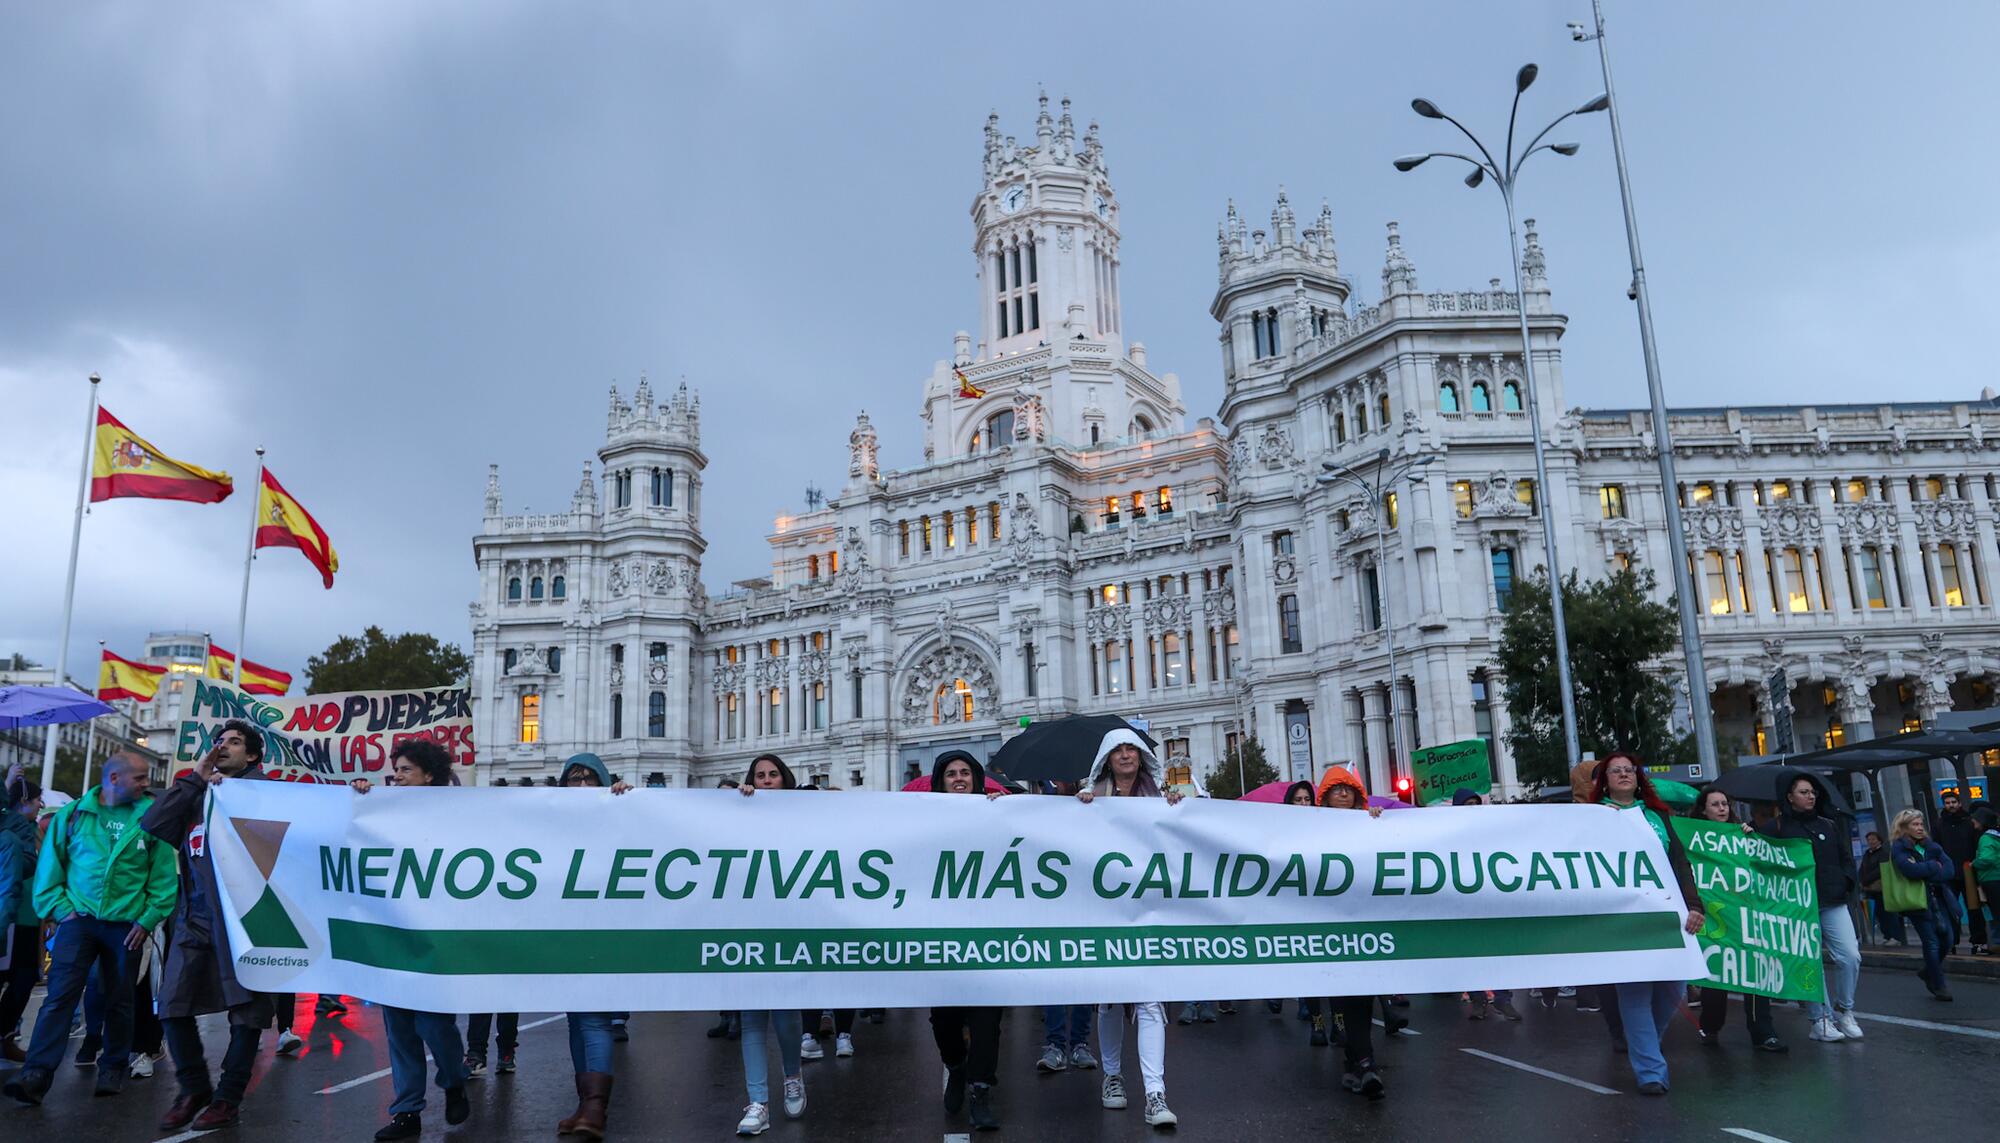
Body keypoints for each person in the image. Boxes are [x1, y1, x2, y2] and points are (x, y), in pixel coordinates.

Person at [3, 752, 175, 1107]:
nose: (146, 784)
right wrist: (64, 912)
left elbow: (163, 880)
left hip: (126, 926)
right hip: (78, 923)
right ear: (114, 779)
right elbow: (50, 871)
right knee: (59, 999)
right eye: (140, 778)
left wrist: (146, 920)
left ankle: (112, 1066)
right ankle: (36, 1075)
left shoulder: (151, 819)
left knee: (119, 999)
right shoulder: (74, 815)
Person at [143, 719, 277, 1131]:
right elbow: (154, 823)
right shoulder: (200, 793)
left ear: (252, 755)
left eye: (234, 743)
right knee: (171, 1005)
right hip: (194, 918)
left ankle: (227, 1098)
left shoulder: (269, 795)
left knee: (246, 1014)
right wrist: (196, 778)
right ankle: (194, 1086)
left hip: (248, 921)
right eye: (219, 741)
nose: (223, 747)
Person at [348, 739, 473, 1140]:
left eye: (405, 771)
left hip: (436, 937)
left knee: (435, 1025)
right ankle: (406, 1112)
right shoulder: (382, 810)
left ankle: (454, 1079)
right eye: (395, 770)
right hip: (394, 934)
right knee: (399, 1028)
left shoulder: (457, 815)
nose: (396, 777)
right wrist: (360, 798)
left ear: (430, 776)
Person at [1079, 729, 1184, 1129]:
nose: (1125, 756)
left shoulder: (1160, 799)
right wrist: (1082, 807)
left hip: (1149, 914)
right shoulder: (1091, 799)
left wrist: (1177, 807)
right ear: (1107, 758)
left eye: (1132, 750)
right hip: (1106, 914)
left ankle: (1155, 1093)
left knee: (1150, 1000)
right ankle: (1112, 1077)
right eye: (1118, 750)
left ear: (1141, 758)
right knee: (1108, 998)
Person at [1590, 753, 1705, 1095]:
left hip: (1667, 912)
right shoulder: (1592, 817)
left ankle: (1644, 1044)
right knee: (1636, 992)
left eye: (1630, 770)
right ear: (1605, 781)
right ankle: (1651, 1072)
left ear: (1639, 779)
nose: (1624, 774)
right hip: (1622, 917)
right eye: (1616, 771)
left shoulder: (1657, 816)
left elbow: (1679, 863)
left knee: (1674, 989)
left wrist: (1694, 905)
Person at [924, 749, 1006, 1130]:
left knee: (988, 1021)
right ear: (940, 781)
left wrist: (1010, 812)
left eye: (965, 773)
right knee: (944, 1020)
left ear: (976, 779)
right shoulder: (919, 818)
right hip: (941, 937)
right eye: (951, 774)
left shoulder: (997, 812)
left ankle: (980, 1091)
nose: (958, 778)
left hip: (987, 935)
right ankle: (956, 1066)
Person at [551, 752, 631, 1139]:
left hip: (604, 928)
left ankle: (596, 1109)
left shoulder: (619, 809)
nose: (581, 786)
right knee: (576, 1018)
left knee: (595, 1016)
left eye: (589, 779)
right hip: (566, 929)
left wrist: (627, 800)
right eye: (574, 779)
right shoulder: (552, 821)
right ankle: (584, 1103)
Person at [1756, 770, 1862, 1043]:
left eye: (1813, 792)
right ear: (1789, 797)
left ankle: (1845, 1010)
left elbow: (1845, 858)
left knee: (1850, 956)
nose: (1810, 796)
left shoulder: (1828, 824)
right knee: (1809, 961)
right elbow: (1756, 854)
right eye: (1804, 792)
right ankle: (1820, 1019)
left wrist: (1846, 883)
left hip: (1833, 901)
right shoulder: (1776, 828)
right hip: (1798, 907)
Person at [734, 753, 807, 1136]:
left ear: (785, 779)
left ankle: (792, 1074)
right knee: (751, 1018)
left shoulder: (802, 815)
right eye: (759, 776)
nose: (765, 781)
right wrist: (736, 804)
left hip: (787, 925)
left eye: (772, 775)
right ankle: (757, 1102)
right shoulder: (741, 812)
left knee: (785, 1016)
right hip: (747, 925)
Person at [1688, 787, 1786, 1053]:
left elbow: (1761, 868)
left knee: (1754, 972)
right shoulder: (1692, 838)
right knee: (1717, 980)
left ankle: (1763, 1032)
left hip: (1744, 917)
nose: (1722, 809)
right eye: (1715, 804)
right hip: (1714, 920)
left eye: (1725, 804)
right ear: (1703, 810)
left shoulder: (1742, 835)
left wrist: (1753, 840)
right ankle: (1710, 1025)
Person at [1315, 766, 1388, 1099]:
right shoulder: (1307, 829)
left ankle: (1359, 1064)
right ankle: (1363, 1064)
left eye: (1349, 788)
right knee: (1344, 998)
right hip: (1330, 926)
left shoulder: (1372, 823)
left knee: (1363, 995)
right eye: (1336, 789)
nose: (1343, 793)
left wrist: (1377, 821)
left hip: (1365, 926)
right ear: (1325, 797)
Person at [1451, 789, 1521, 1022]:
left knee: (1498, 951)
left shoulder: (1492, 829)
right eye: (1466, 804)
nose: (1472, 807)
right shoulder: (1447, 832)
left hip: (1490, 902)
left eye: (1475, 802)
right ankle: (1478, 999)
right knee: (1468, 954)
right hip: (1463, 904)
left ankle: (1503, 999)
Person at [1887, 809, 1956, 1001]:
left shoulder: (1931, 846)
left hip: (1939, 898)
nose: (1919, 828)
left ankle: (1928, 971)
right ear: (1904, 827)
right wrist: (1934, 866)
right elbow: (1909, 870)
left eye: (1920, 824)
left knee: (1948, 939)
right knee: (1931, 942)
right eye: (1914, 824)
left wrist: (1925, 871)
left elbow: (1949, 870)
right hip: (1916, 902)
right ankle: (1938, 984)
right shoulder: (1899, 847)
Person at [0, 768, 43, 1063]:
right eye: (37, 798)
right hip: (10, 917)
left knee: (24, 979)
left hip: (27, 917)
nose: (41, 804)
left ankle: (5, 1035)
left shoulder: (29, 830)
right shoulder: (14, 833)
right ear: (24, 799)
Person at [1935, 790, 1984, 954]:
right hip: (1948, 873)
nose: (1951, 805)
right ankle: (1951, 942)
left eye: (1953, 802)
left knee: (1974, 908)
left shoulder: (1969, 822)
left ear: (1959, 803)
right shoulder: (1939, 824)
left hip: (1968, 870)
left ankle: (1978, 942)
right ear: (1944, 805)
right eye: (1947, 803)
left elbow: (1977, 844)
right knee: (1949, 909)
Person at [1858, 831, 1906, 945]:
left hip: (1882, 888)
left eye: (1873, 839)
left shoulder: (1884, 853)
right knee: (1878, 913)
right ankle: (1887, 935)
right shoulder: (1867, 854)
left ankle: (1895, 936)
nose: (1871, 842)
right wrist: (1861, 879)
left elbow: (1881, 870)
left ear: (1879, 840)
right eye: (1869, 839)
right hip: (1870, 888)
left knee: (1888, 913)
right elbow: (1862, 868)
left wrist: (1866, 879)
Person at [1971, 807, 2000, 955]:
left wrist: (1975, 863)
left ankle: (1997, 943)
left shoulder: (1985, 838)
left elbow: (1987, 858)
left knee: (1996, 913)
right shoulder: (1997, 836)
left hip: (1991, 879)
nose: (1973, 821)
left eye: (1975, 818)